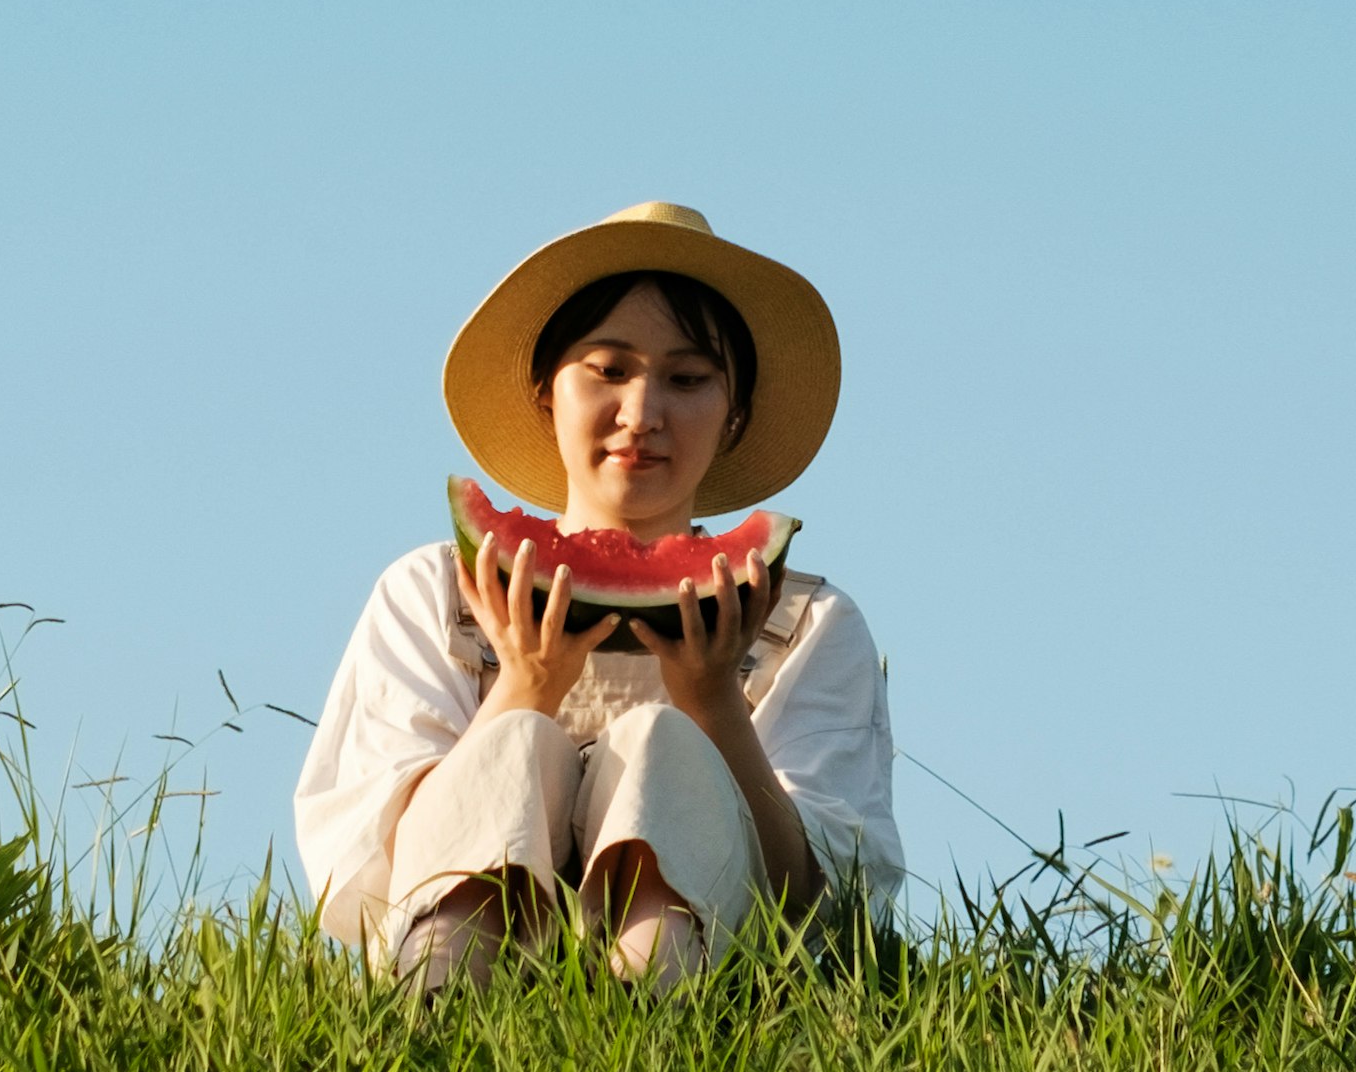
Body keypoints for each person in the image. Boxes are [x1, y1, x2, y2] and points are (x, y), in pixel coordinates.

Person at [295, 193, 901, 984]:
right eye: (608, 370)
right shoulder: (435, 592)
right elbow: (371, 875)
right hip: (447, 971)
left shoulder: (807, 624)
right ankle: (438, 1029)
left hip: (718, 997)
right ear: (549, 391)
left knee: (662, 740)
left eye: (687, 378)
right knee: (517, 743)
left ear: (735, 414)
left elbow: (823, 906)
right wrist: (523, 684)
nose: (642, 412)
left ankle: (652, 1035)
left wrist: (715, 704)